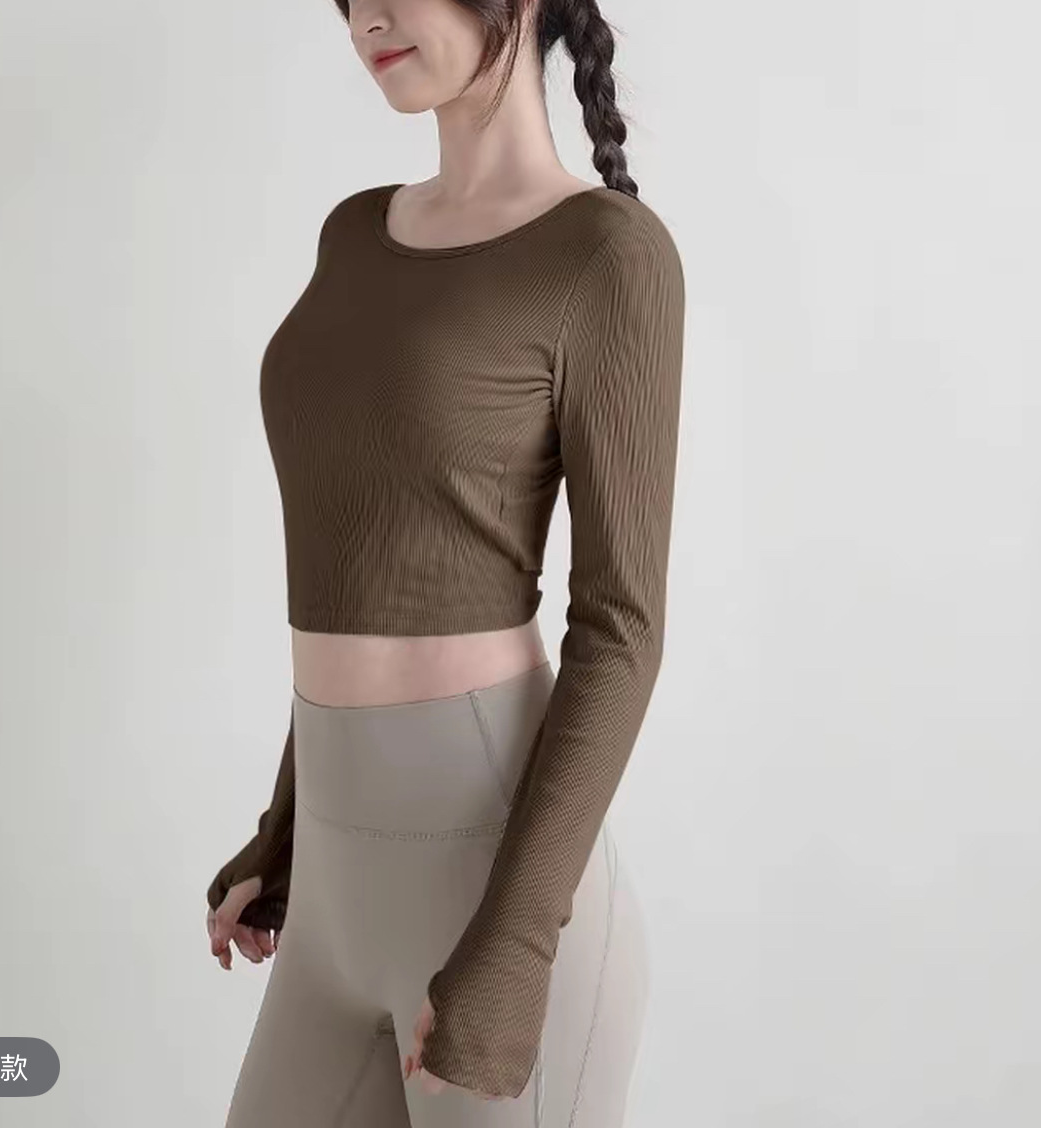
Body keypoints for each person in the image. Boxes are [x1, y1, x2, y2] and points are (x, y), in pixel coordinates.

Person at [204, 0, 685, 1124]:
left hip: (496, 893)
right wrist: (286, 825)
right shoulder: (352, 234)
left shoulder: (607, 255)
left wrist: (515, 948)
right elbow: (367, 548)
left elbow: (621, 629)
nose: (364, 17)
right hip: (333, 897)